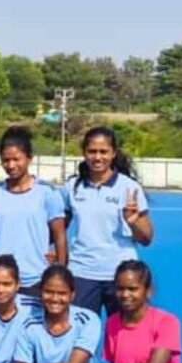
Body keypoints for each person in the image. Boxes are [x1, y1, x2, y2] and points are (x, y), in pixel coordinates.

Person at [63, 127, 153, 316]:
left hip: (120, 276)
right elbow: (58, 227)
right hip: (82, 273)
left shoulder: (129, 188)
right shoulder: (72, 187)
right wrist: (51, 250)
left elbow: (146, 238)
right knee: (80, 334)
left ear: (113, 153)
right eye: (92, 151)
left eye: (103, 152)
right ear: (84, 153)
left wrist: (133, 221)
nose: (97, 157)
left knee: (125, 336)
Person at [0, 126, 67, 296]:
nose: (11, 165)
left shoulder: (47, 193)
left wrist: (60, 274)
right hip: (0, 280)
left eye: (16, 159)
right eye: (6, 160)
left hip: (35, 279)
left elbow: (60, 236)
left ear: (29, 158)